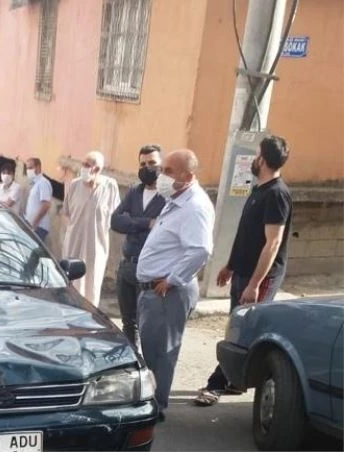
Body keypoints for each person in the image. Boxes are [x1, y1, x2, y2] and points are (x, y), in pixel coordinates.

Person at [194, 136, 293, 407]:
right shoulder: (260, 190)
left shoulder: (277, 194)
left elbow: (272, 243)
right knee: (238, 326)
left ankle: (217, 383)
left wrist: (254, 284)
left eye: (256, 154)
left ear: (263, 159)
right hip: (243, 272)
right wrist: (231, 265)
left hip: (259, 277)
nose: (252, 159)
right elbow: (248, 236)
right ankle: (235, 380)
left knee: (243, 329)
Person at [136, 149, 214, 422]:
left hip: (167, 293)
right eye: (163, 169)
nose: (162, 175)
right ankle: (152, 402)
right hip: (153, 291)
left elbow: (201, 250)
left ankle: (155, 408)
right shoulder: (177, 199)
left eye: (169, 171)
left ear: (188, 176)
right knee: (151, 350)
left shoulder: (194, 206)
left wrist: (172, 279)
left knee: (161, 354)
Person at [110, 145, 166, 350]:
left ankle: (149, 363)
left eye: (152, 163)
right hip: (127, 267)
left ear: (161, 165)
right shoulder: (135, 191)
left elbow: (162, 227)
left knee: (147, 324)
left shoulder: (167, 196)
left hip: (151, 271)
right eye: (142, 164)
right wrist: (145, 223)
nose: (147, 168)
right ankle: (133, 359)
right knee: (128, 323)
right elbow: (115, 221)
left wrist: (132, 222)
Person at [61, 151, 121, 307]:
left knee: (92, 285)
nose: (83, 168)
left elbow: (116, 215)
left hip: (96, 246)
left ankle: (89, 315)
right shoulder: (74, 185)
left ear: (97, 169)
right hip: (73, 244)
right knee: (71, 283)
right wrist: (72, 231)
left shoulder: (110, 186)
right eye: (83, 163)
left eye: (87, 165)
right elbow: (66, 213)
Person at [23, 157, 53, 241]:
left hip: (38, 227)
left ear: (38, 167)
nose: (28, 171)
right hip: (32, 225)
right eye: (27, 168)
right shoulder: (35, 184)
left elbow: (46, 205)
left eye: (30, 168)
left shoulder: (43, 183)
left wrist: (34, 223)